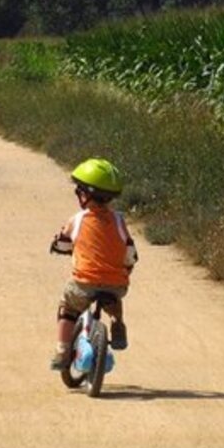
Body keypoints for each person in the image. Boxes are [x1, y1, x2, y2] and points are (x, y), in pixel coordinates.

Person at [48, 158, 138, 371]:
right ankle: (117, 324)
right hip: (116, 285)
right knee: (113, 298)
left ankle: (61, 352)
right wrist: (127, 266)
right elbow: (130, 252)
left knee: (68, 307)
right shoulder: (118, 220)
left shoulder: (78, 219)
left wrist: (58, 247)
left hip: (84, 283)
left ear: (85, 194)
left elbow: (62, 243)